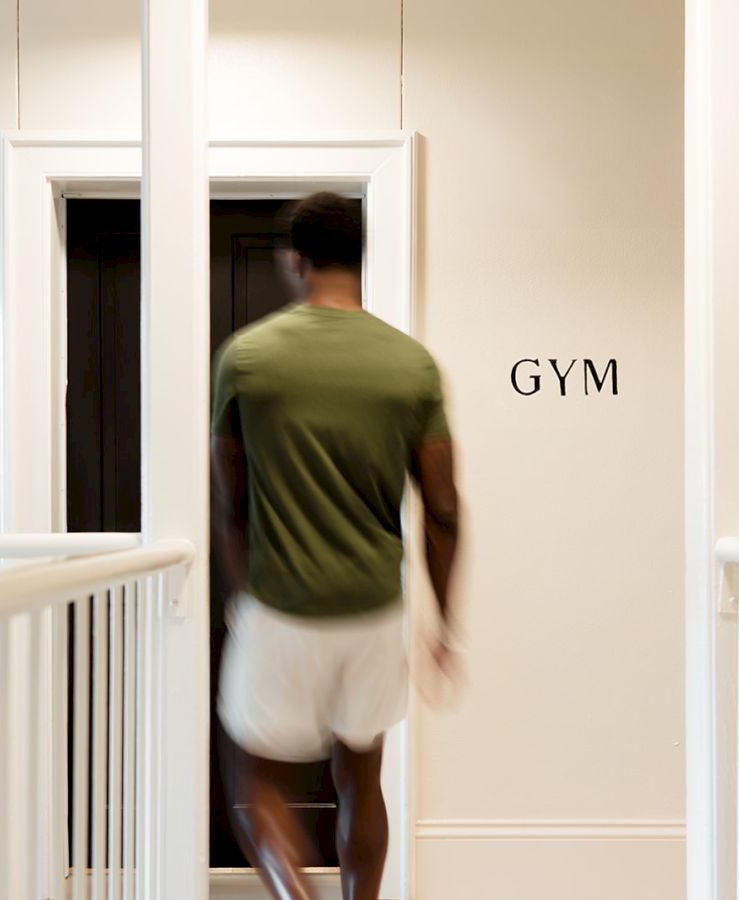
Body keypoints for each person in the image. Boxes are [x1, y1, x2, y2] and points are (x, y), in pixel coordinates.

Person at [211, 192, 461, 900]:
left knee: (252, 781)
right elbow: (442, 508)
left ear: (297, 261)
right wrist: (444, 622)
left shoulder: (247, 358)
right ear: (360, 257)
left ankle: (297, 894)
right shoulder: (411, 366)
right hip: (375, 611)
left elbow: (229, 500)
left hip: (280, 607)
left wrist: (242, 598)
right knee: (361, 780)